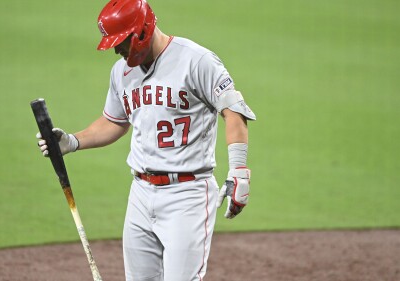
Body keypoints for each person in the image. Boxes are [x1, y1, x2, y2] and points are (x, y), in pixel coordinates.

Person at [37, 0, 256, 280]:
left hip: (187, 195)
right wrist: (72, 141)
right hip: (140, 193)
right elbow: (114, 122)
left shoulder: (196, 60)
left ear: (141, 32)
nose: (116, 49)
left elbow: (233, 111)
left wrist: (239, 171)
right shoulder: (121, 72)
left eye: (121, 42)